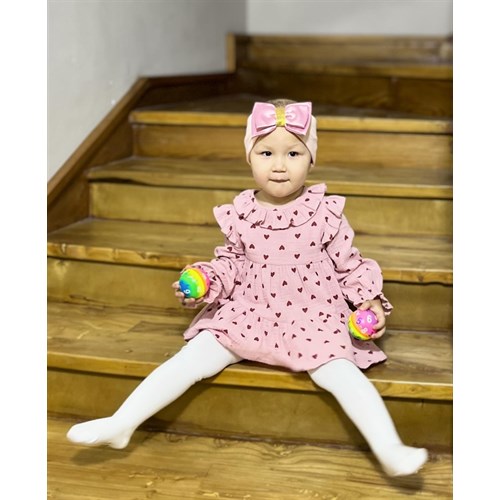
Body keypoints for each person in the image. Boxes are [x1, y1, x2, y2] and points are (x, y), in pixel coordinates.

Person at [67, 99, 428, 477]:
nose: (279, 165)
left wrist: (368, 300)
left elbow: (349, 264)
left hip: (311, 314)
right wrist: (207, 280)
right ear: (249, 157)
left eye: (293, 153)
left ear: (311, 159)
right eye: (266, 153)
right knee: (193, 358)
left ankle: (388, 448)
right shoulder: (241, 213)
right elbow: (231, 262)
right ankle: (122, 422)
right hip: (251, 310)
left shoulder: (325, 212)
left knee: (339, 371)